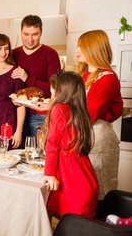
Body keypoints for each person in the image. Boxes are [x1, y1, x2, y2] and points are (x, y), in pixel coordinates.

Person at [43, 72, 99, 218]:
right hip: (85, 177)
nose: (51, 97)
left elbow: (51, 145)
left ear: (62, 92)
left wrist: (49, 174)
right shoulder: (81, 112)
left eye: (53, 93)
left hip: (70, 180)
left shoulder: (59, 109)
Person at [75, 30, 123, 199]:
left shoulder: (108, 78)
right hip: (81, 137)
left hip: (99, 140)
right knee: (83, 192)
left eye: (81, 46)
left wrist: (56, 110)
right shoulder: (81, 76)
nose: (77, 50)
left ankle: (102, 226)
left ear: (93, 48)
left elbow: (88, 114)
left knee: (101, 192)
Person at [11, 14, 61, 139]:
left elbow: (55, 88)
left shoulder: (51, 54)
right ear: (20, 32)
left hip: (40, 116)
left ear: (41, 32)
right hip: (15, 115)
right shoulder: (13, 54)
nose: (30, 39)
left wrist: (27, 79)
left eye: (35, 34)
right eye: (26, 34)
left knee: (38, 155)